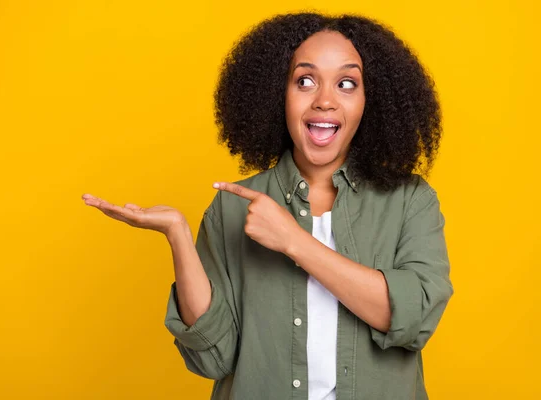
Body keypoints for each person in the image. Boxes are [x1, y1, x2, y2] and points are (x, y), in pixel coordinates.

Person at [82, 12, 453, 400]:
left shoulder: (410, 200)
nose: (324, 100)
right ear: (278, 92)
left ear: (369, 100)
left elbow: (412, 317)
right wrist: (177, 234)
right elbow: (214, 358)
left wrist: (293, 240)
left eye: (346, 83)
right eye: (305, 81)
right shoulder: (232, 207)